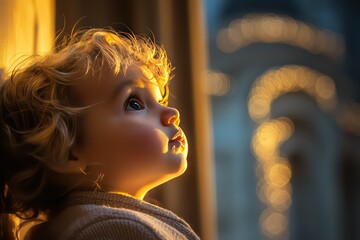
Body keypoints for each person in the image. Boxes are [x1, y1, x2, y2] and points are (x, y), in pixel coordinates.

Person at [0, 28, 199, 240]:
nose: (172, 113)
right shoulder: (115, 230)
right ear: (66, 150)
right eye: (134, 103)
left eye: (160, 101)